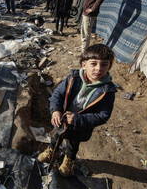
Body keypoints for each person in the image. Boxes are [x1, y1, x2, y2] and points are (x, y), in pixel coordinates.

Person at [37, 44, 117, 177]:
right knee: (56, 137)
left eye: (104, 64)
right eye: (93, 64)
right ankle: (52, 150)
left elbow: (103, 115)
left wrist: (78, 119)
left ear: (109, 67)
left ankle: (69, 159)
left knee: (73, 145)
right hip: (61, 120)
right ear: (84, 64)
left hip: (79, 127)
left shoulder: (107, 91)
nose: (98, 68)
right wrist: (56, 110)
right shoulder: (73, 79)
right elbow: (57, 94)